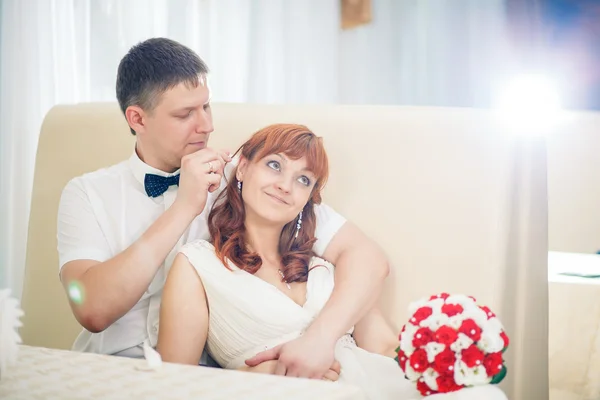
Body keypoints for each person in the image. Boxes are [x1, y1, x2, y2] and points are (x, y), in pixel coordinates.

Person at [56, 37, 390, 377]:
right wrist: (184, 207)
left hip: (214, 377)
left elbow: (367, 258)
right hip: (111, 370)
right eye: (185, 114)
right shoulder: (87, 193)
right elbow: (92, 310)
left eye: (206, 107)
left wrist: (319, 340)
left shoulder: (249, 181)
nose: (206, 126)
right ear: (138, 119)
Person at [156, 124, 508, 400]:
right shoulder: (197, 265)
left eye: (303, 179)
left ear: (308, 198)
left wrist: (446, 355)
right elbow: (174, 386)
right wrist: (263, 377)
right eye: (274, 165)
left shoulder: (326, 265)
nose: (285, 185)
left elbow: (383, 346)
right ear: (243, 168)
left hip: (377, 386)